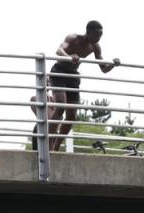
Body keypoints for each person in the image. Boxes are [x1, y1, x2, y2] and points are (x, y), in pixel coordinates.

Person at [49, 21, 121, 151]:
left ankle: (56, 147)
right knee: (60, 108)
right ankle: (48, 143)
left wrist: (113, 64)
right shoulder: (73, 38)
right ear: (88, 32)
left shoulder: (95, 47)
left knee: (71, 116)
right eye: (96, 35)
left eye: (100, 36)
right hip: (59, 71)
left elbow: (103, 69)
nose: (98, 39)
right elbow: (59, 50)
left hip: (73, 76)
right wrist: (69, 56)